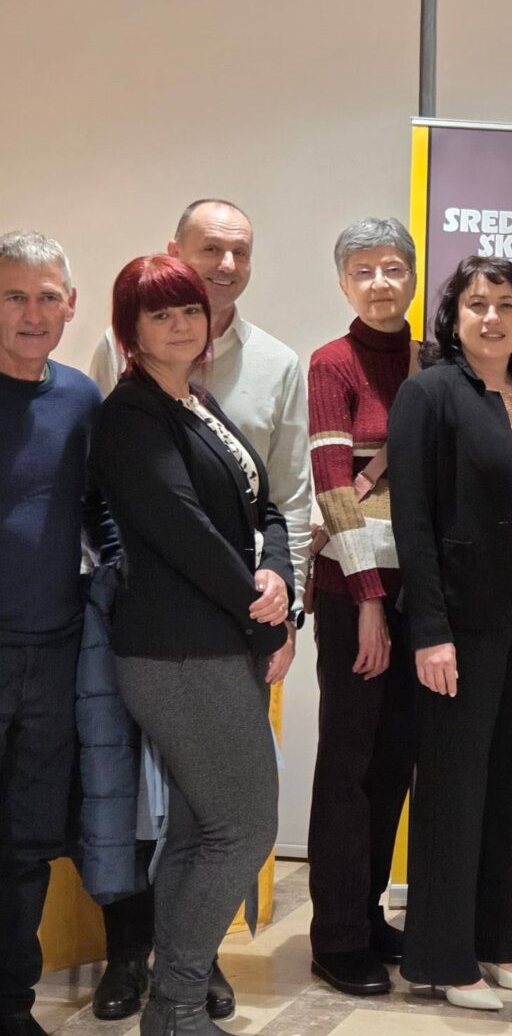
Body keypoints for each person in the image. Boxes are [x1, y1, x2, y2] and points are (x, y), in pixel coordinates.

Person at [89, 199, 311, 1023]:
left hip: (222, 641)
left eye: (188, 310)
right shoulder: (131, 416)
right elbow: (185, 534)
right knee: (244, 831)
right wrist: (266, 614)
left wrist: (279, 573)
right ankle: (178, 1004)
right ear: (130, 330)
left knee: (198, 833)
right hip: (177, 654)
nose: (181, 324)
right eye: (161, 314)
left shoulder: (195, 399)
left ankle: (173, 1011)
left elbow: (267, 506)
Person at [390, 256, 512, 1011]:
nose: (492, 317)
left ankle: (497, 945)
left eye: (505, 304)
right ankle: (441, 958)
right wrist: (430, 630)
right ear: (453, 317)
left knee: (505, 788)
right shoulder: (430, 393)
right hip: (462, 624)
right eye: (476, 304)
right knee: (453, 789)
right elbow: (413, 518)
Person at [305, 219, 419, 996]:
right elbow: (334, 488)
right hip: (355, 596)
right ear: (344, 282)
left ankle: (369, 911)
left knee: (393, 761)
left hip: (422, 594)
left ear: (411, 275)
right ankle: (337, 936)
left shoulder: (432, 362)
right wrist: (372, 599)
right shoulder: (332, 364)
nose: (380, 282)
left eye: (392, 268)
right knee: (347, 764)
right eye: (363, 270)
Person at [0, 232, 109, 1036]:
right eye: (13, 296)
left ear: (71, 306)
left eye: (46, 297)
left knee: (28, 843)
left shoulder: (81, 399)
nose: (31, 314)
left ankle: (11, 1002)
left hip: (53, 652)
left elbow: (100, 514)